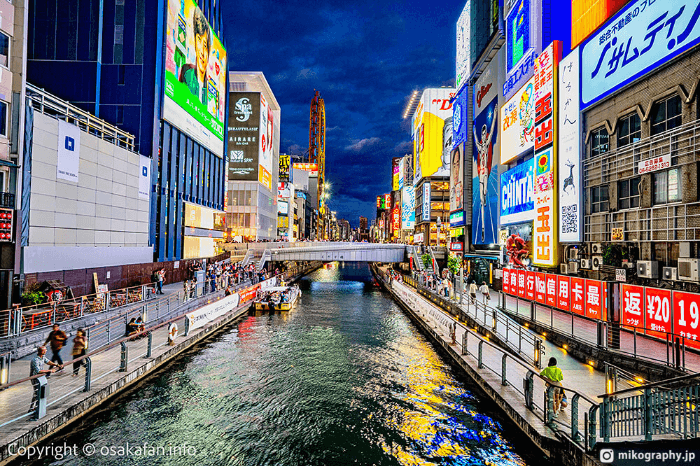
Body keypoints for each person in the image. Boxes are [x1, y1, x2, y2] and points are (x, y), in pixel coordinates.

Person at [178, 8, 210, 105]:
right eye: (199, 41)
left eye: (205, 45)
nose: (202, 52)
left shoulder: (209, 85)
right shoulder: (187, 71)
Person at [29, 346, 61, 416]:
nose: (46, 351)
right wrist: (50, 370)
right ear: (41, 351)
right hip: (35, 378)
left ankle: (37, 407)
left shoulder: (42, 357)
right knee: (36, 393)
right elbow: (38, 371)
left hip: (41, 377)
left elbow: (48, 362)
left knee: (41, 392)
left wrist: (56, 364)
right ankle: (31, 408)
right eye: (45, 350)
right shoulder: (35, 360)